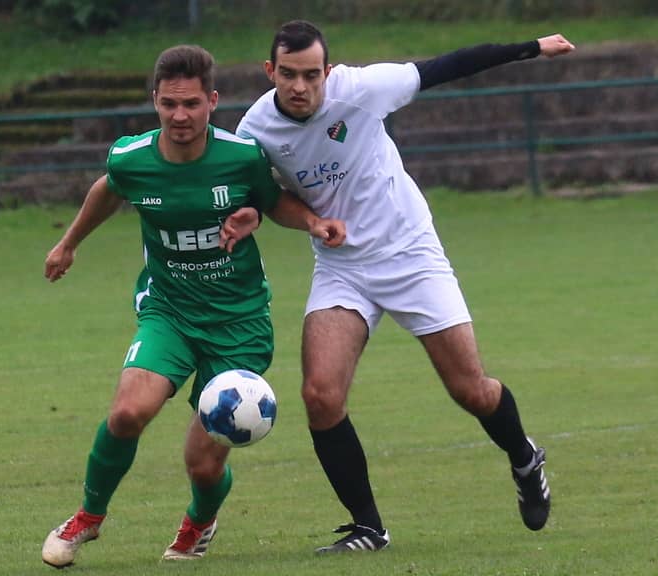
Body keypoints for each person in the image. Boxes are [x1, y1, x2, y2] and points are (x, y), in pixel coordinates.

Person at [228, 20, 575, 553]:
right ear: (270, 71)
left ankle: (525, 459)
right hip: (343, 266)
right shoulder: (254, 131)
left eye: (312, 75)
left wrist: (532, 48)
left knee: (470, 389)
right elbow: (268, 198)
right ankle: (369, 528)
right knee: (320, 396)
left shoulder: (362, 90)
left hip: (411, 254)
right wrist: (298, 220)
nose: (300, 86)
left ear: (328, 71)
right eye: (289, 74)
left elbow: (448, 65)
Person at [40, 44, 345, 569]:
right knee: (127, 412)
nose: (179, 116)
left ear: (212, 102)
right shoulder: (131, 157)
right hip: (170, 310)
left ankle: (200, 521)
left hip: (239, 323)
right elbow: (108, 190)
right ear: (155, 101)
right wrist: (69, 244)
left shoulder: (242, 156)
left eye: (191, 104)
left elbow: (273, 201)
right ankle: (87, 517)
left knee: (201, 464)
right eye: (169, 104)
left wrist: (314, 223)